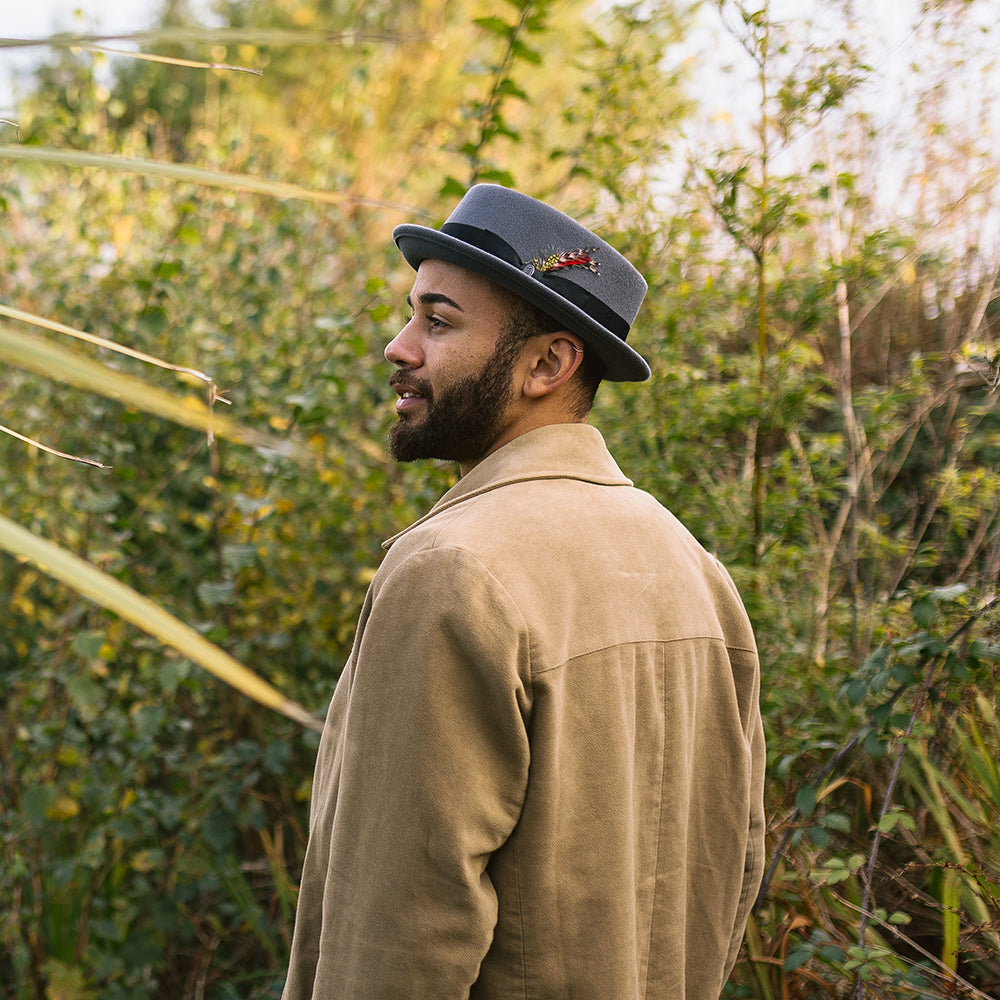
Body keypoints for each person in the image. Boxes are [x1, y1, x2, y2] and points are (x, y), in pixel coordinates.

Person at [281, 184, 766, 1000]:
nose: (398, 348)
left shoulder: (452, 571)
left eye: (438, 321)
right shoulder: (693, 569)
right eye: (411, 314)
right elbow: (736, 864)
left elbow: (398, 937)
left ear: (548, 363)